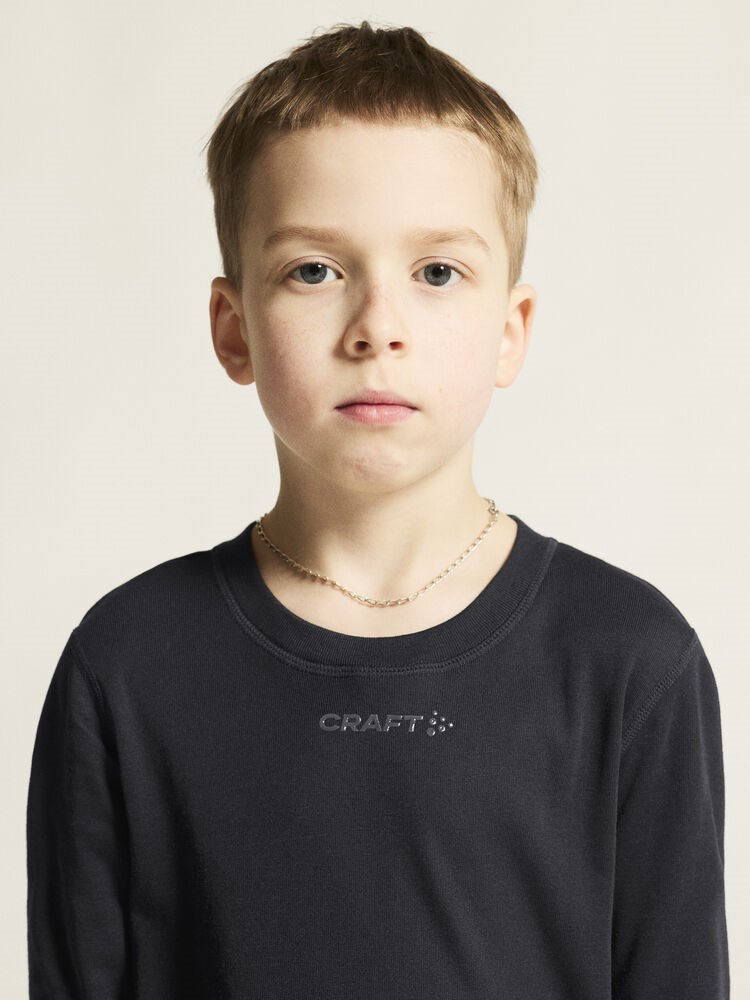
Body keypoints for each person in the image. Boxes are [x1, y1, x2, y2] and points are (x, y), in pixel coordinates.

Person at [26, 20, 730, 999]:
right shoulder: (127, 665)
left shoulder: (631, 661)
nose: (377, 329)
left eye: (437, 272)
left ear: (510, 331)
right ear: (234, 330)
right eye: (314, 270)